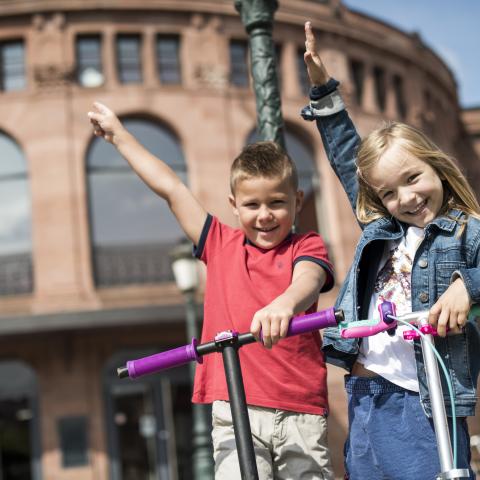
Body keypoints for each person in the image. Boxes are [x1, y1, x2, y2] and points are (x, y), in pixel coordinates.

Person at [88, 103, 336, 479]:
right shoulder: (220, 244)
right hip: (235, 404)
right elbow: (171, 188)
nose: (265, 214)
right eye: (252, 204)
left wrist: (285, 303)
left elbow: (308, 280)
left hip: (299, 407)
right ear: (235, 207)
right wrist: (119, 136)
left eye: (277, 203)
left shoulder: (307, 245)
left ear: (297, 202)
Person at [301, 21, 480, 480]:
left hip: (424, 401)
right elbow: (347, 159)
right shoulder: (382, 228)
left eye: (413, 179)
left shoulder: (466, 232)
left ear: (437, 168)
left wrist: (466, 286)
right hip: (364, 394)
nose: (406, 198)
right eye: (390, 192)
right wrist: (323, 90)